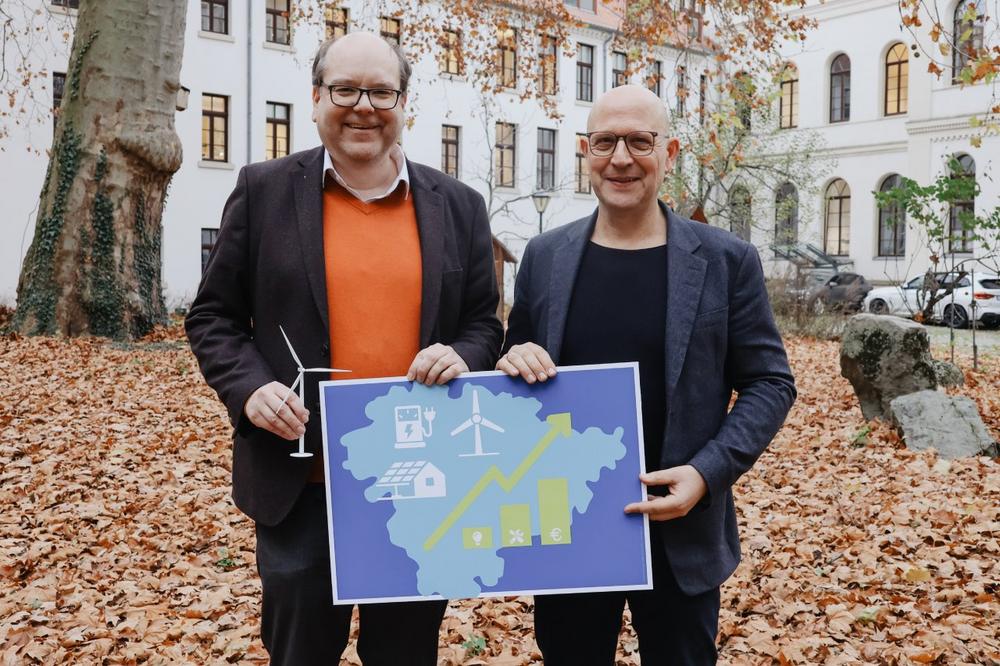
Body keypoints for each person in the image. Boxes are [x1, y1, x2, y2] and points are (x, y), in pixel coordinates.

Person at [185, 32, 502, 665]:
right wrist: (250, 389)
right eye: (345, 89)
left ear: (404, 102)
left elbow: (483, 325)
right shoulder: (263, 190)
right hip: (299, 479)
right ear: (315, 98)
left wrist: (464, 356)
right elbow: (213, 316)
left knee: (405, 653)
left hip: (418, 482)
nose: (363, 106)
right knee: (301, 652)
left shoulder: (459, 207)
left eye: (381, 92)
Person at [497, 85, 796, 664]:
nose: (621, 158)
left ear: (669, 152)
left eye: (639, 141)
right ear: (585, 150)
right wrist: (513, 361)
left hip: (681, 529)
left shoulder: (726, 260)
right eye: (605, 142)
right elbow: (516, 362)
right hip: (571, 526)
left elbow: (770, 382)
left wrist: (706, 474)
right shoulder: (545, 256)